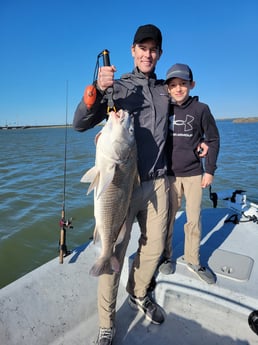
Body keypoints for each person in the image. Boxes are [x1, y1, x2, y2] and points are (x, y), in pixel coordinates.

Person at [73, 24, 170, 345]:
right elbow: (80, 124)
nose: (148, 54)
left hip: (157, 183)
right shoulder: (119, 86)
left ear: (159, 53)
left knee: (154, 250)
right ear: (132, 51)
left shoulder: (164, 89)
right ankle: (106, 322)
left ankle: (139, 293)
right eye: (142, 48)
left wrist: (203, 145)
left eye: (153, 49)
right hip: (122, 185)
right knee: (112, 252)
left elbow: (183, 122)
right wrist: (98, 91)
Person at [159, 63, 220, 284]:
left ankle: (193, 259)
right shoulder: (164, 108)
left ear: (191, 85)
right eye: (173, 85)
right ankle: (165, 256)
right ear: (167, 88)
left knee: (193, 218)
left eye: (183, 84)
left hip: (195, 173)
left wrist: (209, 171)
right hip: (169, 174)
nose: (178, 88)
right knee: (167, 218)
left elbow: (213, 140)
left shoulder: (201, 109)